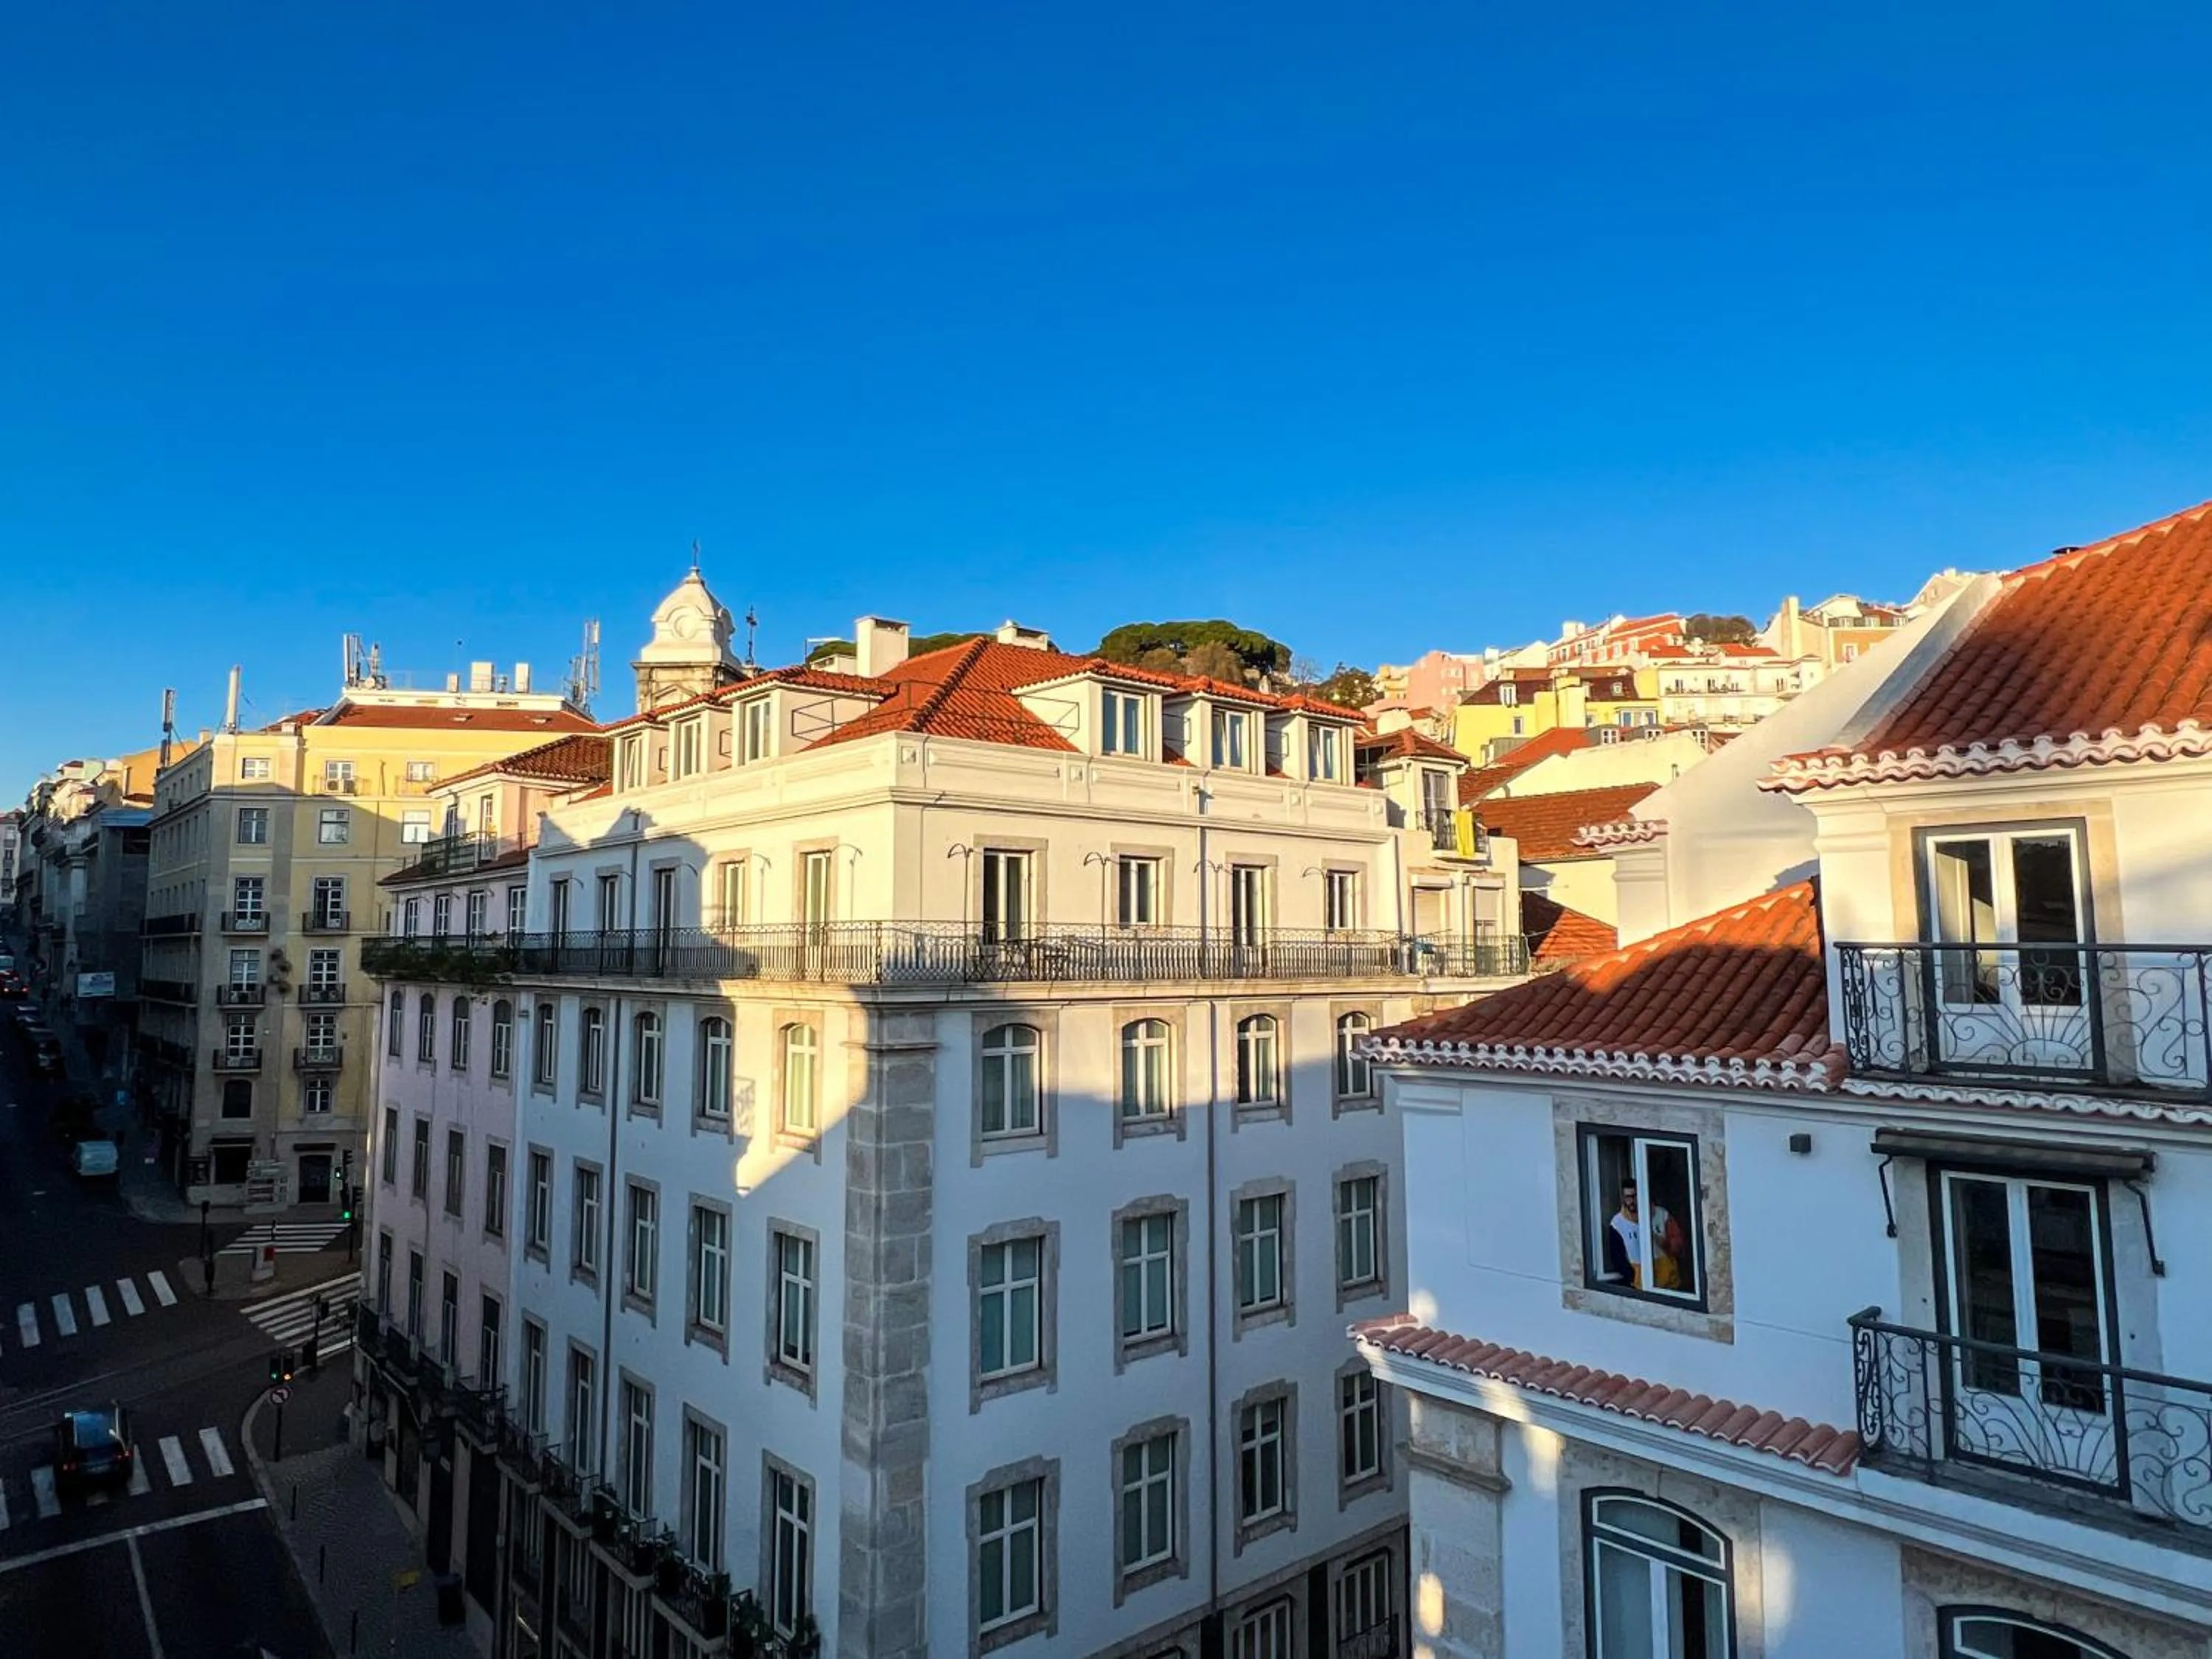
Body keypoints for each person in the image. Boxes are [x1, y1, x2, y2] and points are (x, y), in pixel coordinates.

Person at [1603, 1178, 1686, 1290]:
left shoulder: (1662, 1215)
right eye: (1628, 1197)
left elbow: (1680, 1246)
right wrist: (1633, 1277)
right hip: (1641, 1288)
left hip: (1669, 1286)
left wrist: (1666, 1244)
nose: (1632, 1201)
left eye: (1635, 1196)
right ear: (1623, 1198)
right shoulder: (1618, 1224)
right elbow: (1618, 1258)